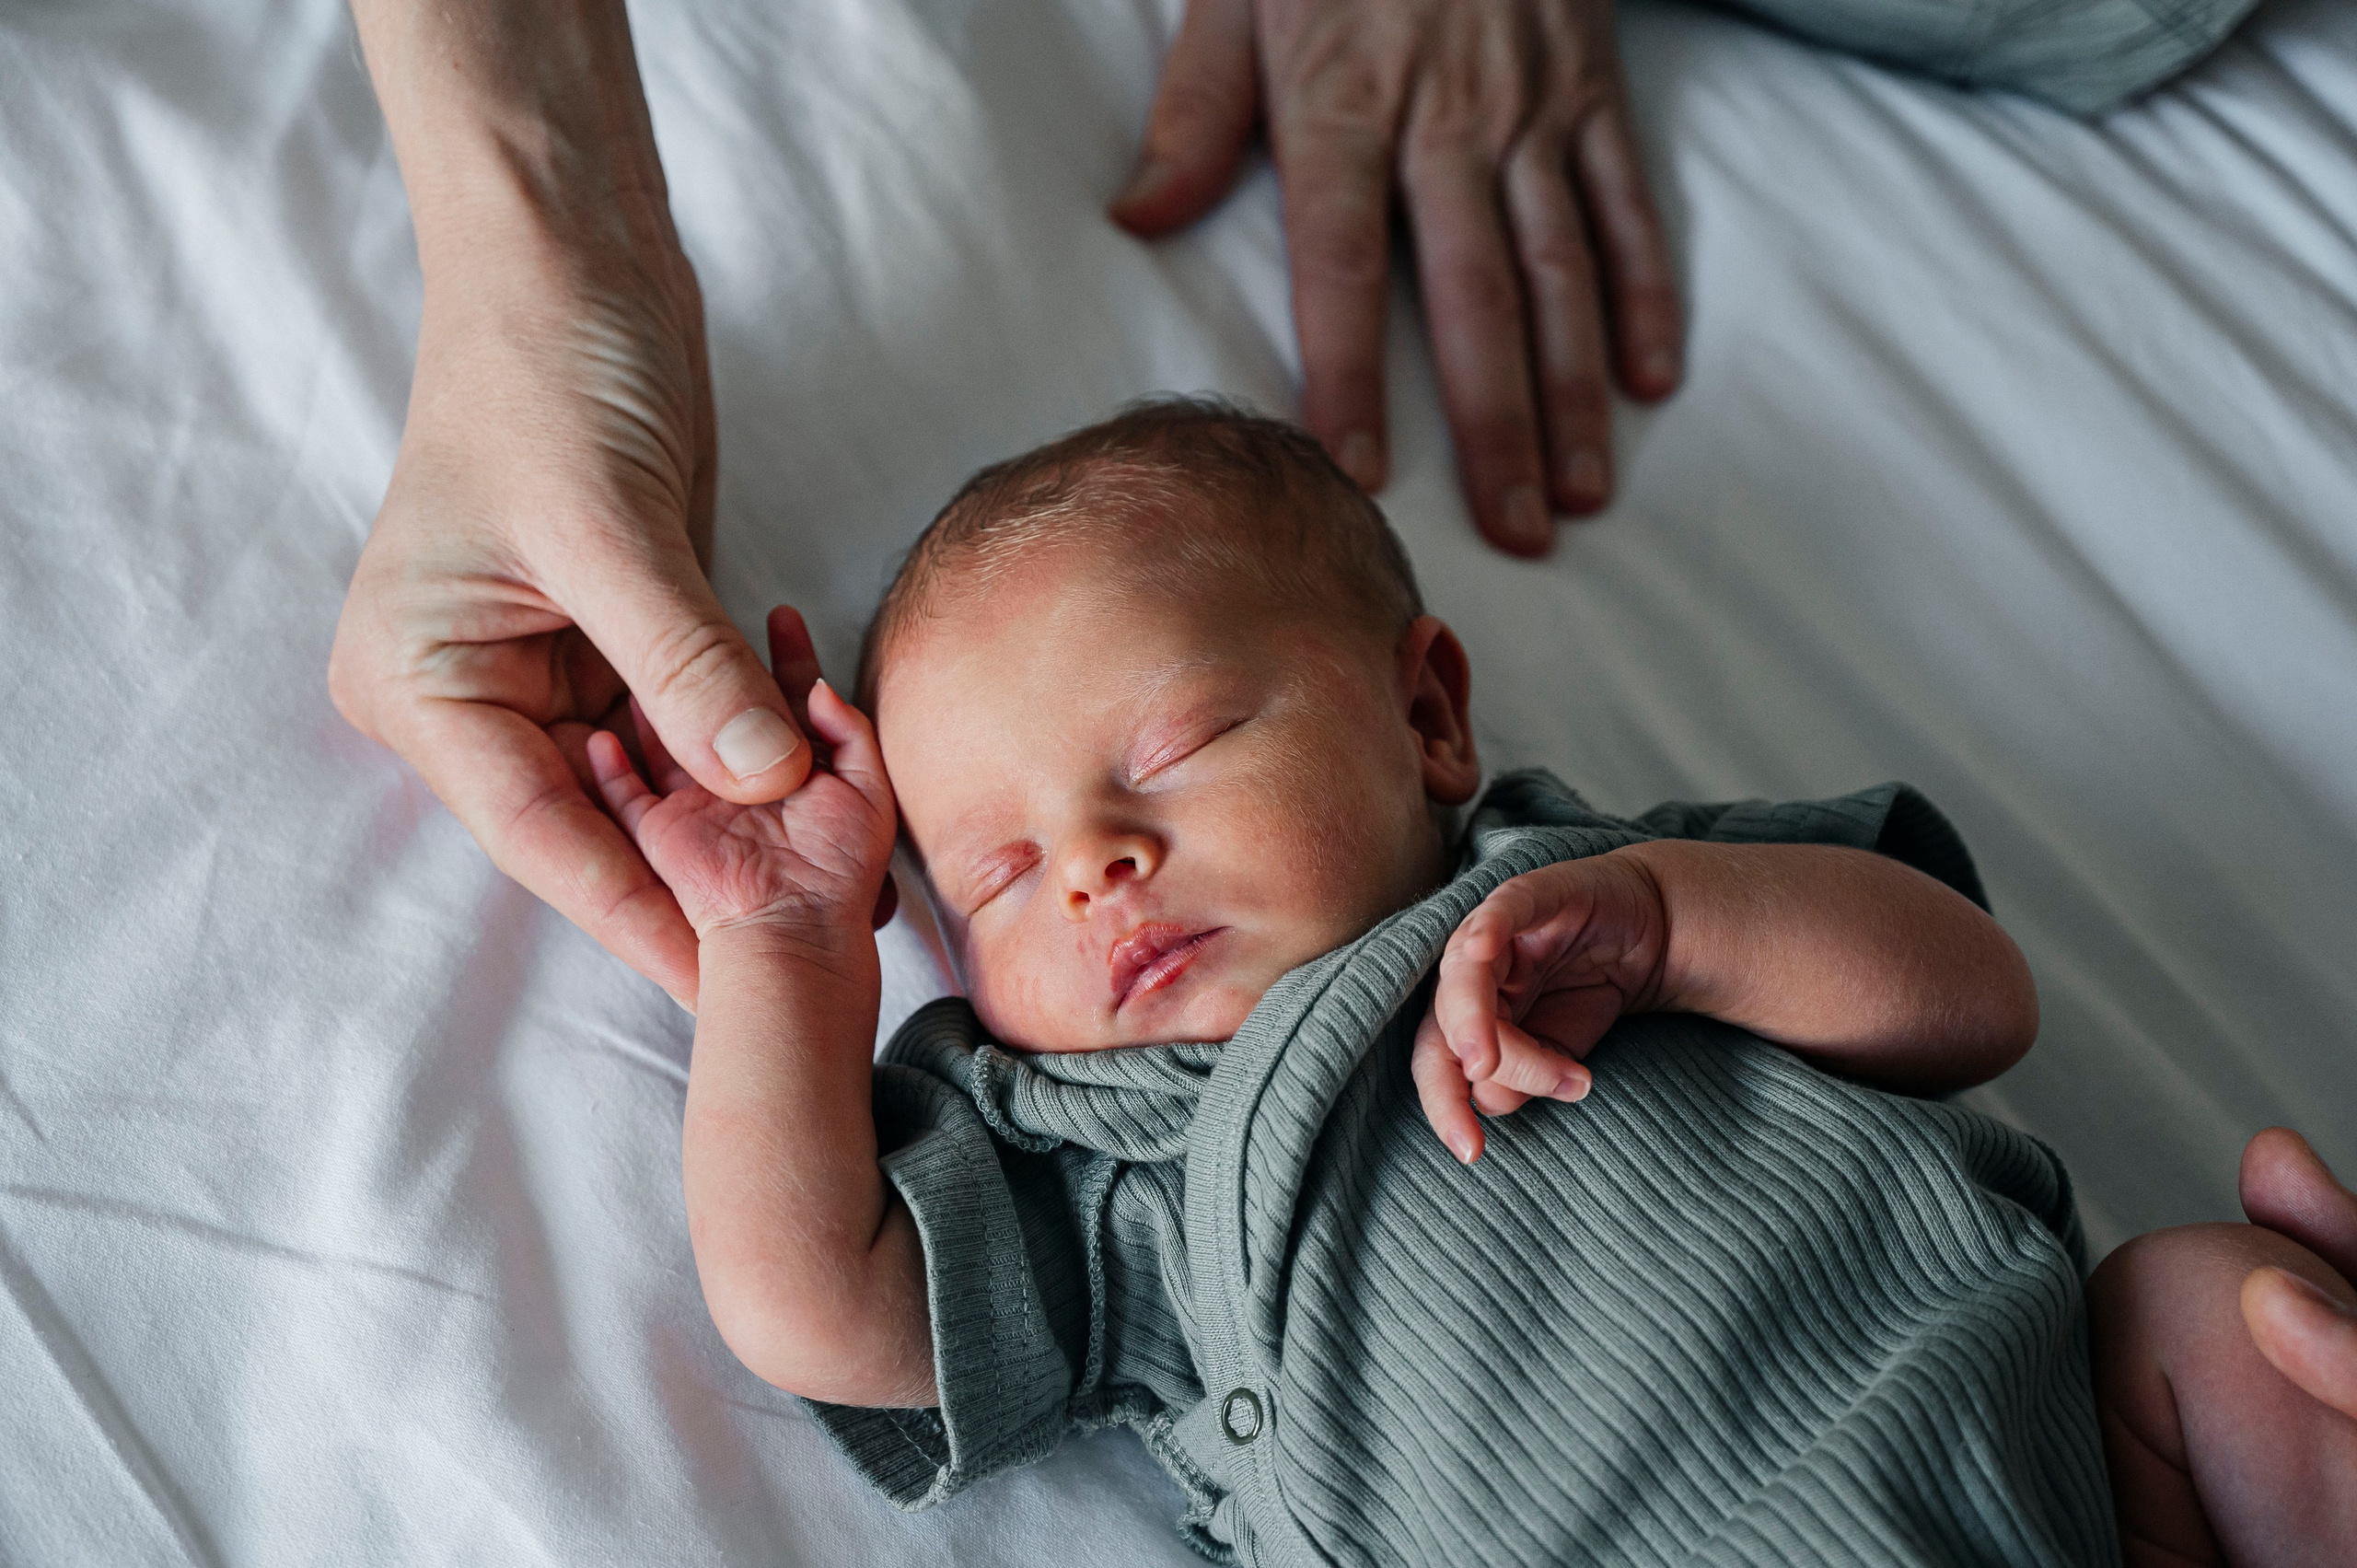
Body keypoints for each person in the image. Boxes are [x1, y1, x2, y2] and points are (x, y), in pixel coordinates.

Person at [584, 401, 2355, 1563]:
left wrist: (1678, 923)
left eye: (1175, 748)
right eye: (993, 871)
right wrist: (782, 948)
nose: (1095, 862)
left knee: (2217, 1312)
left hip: (2049, 1461)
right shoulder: (1106, 1168)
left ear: (1429, 715)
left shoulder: (1588, 889)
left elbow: (1979, 999)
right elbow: (815, 1306)